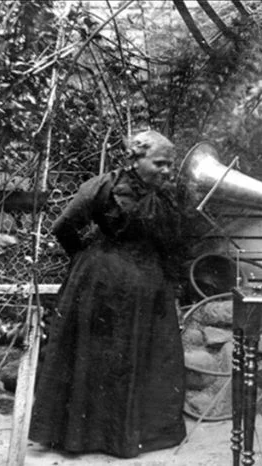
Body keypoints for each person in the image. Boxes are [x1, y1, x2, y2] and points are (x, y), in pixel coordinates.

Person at [29, 130, 187, 458]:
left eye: (170, 165)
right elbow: (63, 226)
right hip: (102, 286)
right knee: (100, 357)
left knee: (144, 356)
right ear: (136, 159)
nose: (166, 170)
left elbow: (172, 243)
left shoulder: (166, 196)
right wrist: (86, 258)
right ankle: (87, 437)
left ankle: (133, 435)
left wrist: (169, 282)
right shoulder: (104, 186)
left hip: (149, 287)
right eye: (159, 163)